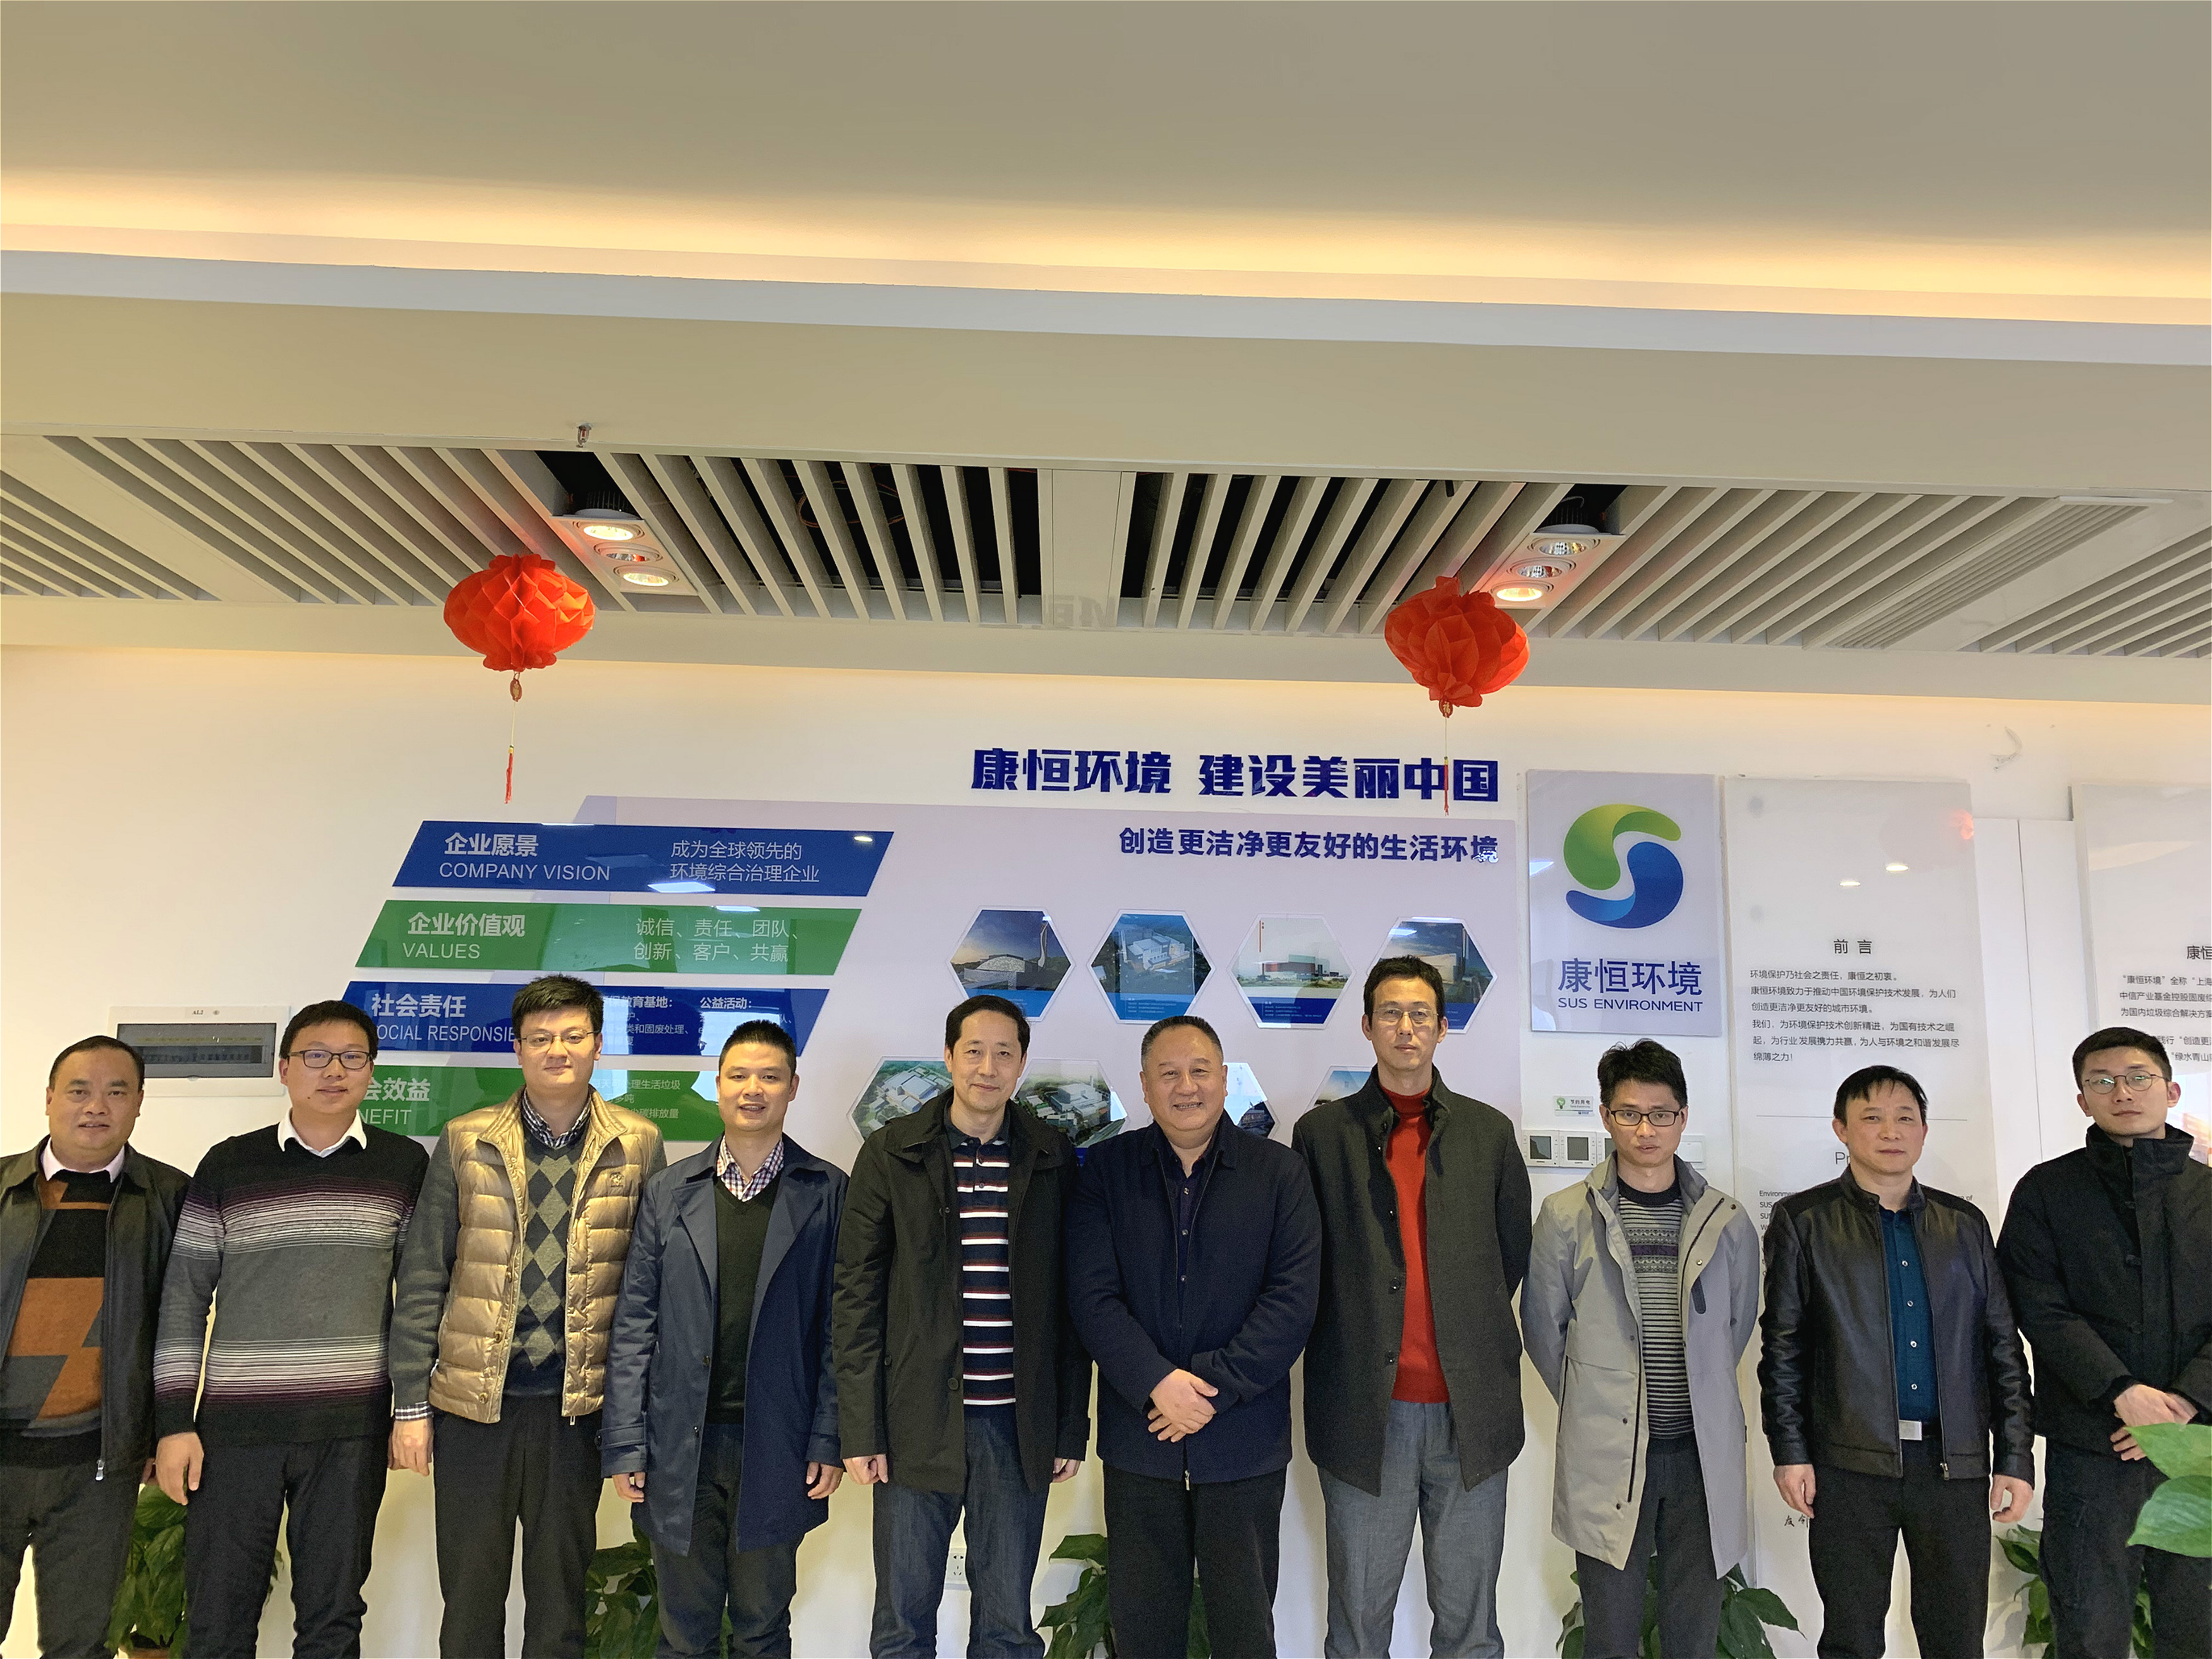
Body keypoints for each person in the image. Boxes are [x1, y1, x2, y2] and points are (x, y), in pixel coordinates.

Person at [389, 973, 665, 1659]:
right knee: (469, 1598)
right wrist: (410, 1404)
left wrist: (637, 1418)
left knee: (560, 1601)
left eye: (573, 1036)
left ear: (597, 1044)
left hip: (577, 1410)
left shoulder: (638, 1143)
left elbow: (650, 1289)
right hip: (472, 1409)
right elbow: (424, 1275)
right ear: (517, 1048)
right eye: (540, 1038)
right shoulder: (466, 1139)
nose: (556, 1050)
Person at [152, 1000, 429, 1659]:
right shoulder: (230, 1164)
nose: (334, 1070)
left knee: (333, 1617)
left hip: (349, 1428)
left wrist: (411, 1407)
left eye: (352, 1057)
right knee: (218, 1615)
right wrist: (173, 1422)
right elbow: (183, 1298)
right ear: (284, 1068)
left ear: (371, 1071)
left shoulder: (402, 1165)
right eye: (315, 1055)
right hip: (234, 1429)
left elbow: (420, 1298)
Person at [832, 994, 1090, 1659]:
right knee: (902, 1624)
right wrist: (861, 1427)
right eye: (973, 1051)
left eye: (1004, 1053)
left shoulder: (1051, 1156)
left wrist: (1069, 1424)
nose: (987, 1067)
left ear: (1021, 1064)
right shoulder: (893, 1152)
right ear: (948, 1057)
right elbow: (855, 1297)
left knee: (1006, 1627)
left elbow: (1072, 1305)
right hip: (913, 1421)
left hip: (1016, 1424)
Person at [1291, 955, 1531, 1659]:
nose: (1405, 1027)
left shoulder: (1488, 1134)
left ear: (1442, 1028)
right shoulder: (1322, 1137)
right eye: (1390, 1014)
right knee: (1357, 1628)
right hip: (1365, 1413)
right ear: (1366, 1026)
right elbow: (1303, 1267)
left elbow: (1509, 1254)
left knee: (1471, 1630)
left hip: (1471, 1412)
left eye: (1419, 1014)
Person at [1066, 1016, 1321, 1659]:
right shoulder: (1106, 1170)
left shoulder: (1279, 1173)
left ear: (1224, 1078)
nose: (1187, 1086)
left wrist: (1208, 1390)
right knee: (1143, 1630)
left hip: (1242, 1440)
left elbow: (1291, 1301)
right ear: (1144, 1085)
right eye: (1169, 1073)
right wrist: (1157, 1382)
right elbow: (1093, 1298)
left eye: (1200, 1070)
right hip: (1141, 1439)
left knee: (1244, 1629)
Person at [1759, 1064, 2034, 1659]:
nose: (1891, 1131)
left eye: (1905, 1117)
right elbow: (1783, 1346)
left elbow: (2002, 1347)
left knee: (1956, 1640)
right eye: (1873, 1118)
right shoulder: (1804, 1220)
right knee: (1852, 1638)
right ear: (1841, 1128)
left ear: (1924, 1131)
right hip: (1849, 1462)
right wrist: (1790, 1450)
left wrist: (2014, 1455)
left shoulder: (1964, 1224)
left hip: (1953, 1464)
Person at [603, 1019, 847, 1658]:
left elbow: (839, 1331)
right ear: (717, 1085)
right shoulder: (669, 1190)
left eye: (769, 1076)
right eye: (738, 1075)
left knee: (762, 1629)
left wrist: (828, 1437)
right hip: (679, 1444)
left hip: (778, 1444)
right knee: (684, 1633)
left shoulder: (826, 1191)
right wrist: (626, 1442)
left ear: (793, 1086)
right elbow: (634, 1325)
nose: (752, 1089)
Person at [1522, 1040, 1759, 1659]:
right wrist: (1598, 1402)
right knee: (1609, 1637)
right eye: (1629, 1113)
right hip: (1608, 1455)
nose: (1645, 1129)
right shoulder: (1565, 1215)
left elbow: (1734, 1329)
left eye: (1660, 1114)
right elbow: (1543, 1330)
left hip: (1698, 1457)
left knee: (1693, 1637)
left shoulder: (1727, 1220)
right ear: (1605, 1116)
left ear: (1683, 1117)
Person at [1998, 1027, 2211, 1659]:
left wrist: (2181, 1405)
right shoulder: (2046, 1190)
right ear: (2081, 1100)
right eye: (2102, 1081)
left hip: (2198, 1446)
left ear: (2170, 1090)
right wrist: (2121, 1392)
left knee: (2198, 1625)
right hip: (2093, 1445)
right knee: (2088, 1628)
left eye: (2138, 1077)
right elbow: (2036, 1304)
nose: (2122, 1092)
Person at [1, 1036, 188, 1659]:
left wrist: (167, 1428)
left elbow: (184, 1325)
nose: (96, 1106)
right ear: (49, 1098)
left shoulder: (170, 1198)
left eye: (116, 1091)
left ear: (139, 1103)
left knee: (81, 1646)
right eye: (79, 1090)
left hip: (97, 1466)